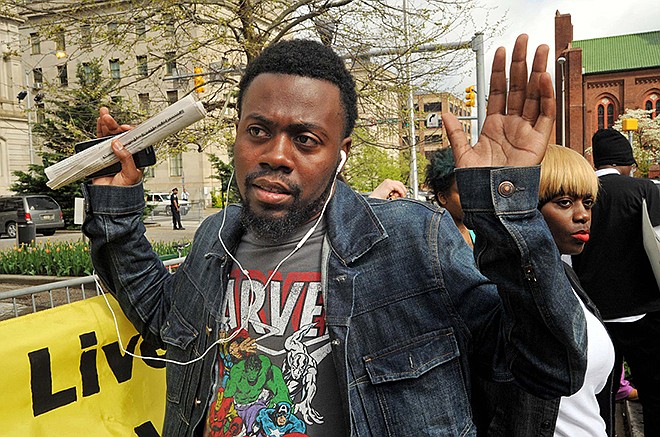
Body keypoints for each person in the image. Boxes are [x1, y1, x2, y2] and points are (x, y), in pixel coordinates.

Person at [85, 35, 588, 436]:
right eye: (257, 130)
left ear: (340, 152)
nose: (276, 154)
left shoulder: (416, 242)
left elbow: (548, 367)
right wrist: (114, 204)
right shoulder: (217, 236)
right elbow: (162, 321)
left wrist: (503, 207)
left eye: (306, 139)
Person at [474, 144, 616, 436]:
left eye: (587, 202)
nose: (582, 215)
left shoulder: (566, 276)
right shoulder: (503, 293)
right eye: (564, 202)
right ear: (527, 213)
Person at [572, 127, 660, 436]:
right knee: (652, 387)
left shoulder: (580, 194)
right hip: (643, 310)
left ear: (595, 159)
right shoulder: (646, 190)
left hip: (595, 313)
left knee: (600, 392)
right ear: (628, 162)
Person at [424, 147, 474, 248]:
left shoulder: (478, 233)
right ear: (442, 197)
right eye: (462, 193)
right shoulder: (435, 243)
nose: (471, 198)